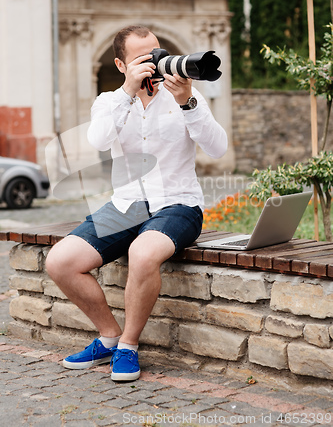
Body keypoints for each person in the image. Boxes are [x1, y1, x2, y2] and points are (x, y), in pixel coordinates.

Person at [45, 25, 228, 382]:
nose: (154, 62)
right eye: (144, 58)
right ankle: (109, 336)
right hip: (126, 205)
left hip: (178, 205)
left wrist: (187, 102)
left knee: (143, 254)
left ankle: (128, 345)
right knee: (60, 261)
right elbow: (98, 141)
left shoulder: (186, 96)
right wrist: (128, 92)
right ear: (121, 64)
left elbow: (218, 148)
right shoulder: (108, 102)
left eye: (157, 53)